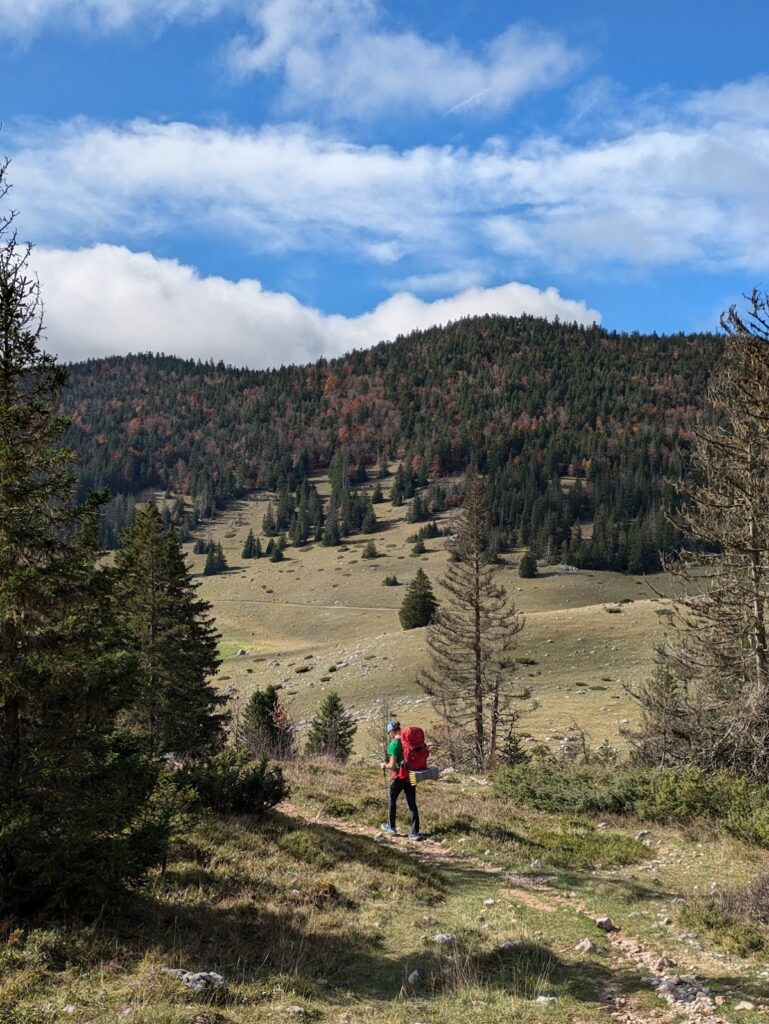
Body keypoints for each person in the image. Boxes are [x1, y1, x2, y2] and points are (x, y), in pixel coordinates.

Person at [380, 720, 422, 839]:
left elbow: (392, 765)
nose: (389, 735)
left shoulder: (394, 744)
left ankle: (391, 827)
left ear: (392, 732)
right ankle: (414, 832)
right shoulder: (409, 742)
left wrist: (384, 765)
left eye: (389, 732)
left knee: (392, 800)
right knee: (412, 804)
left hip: (398, 776)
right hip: (412, 776)